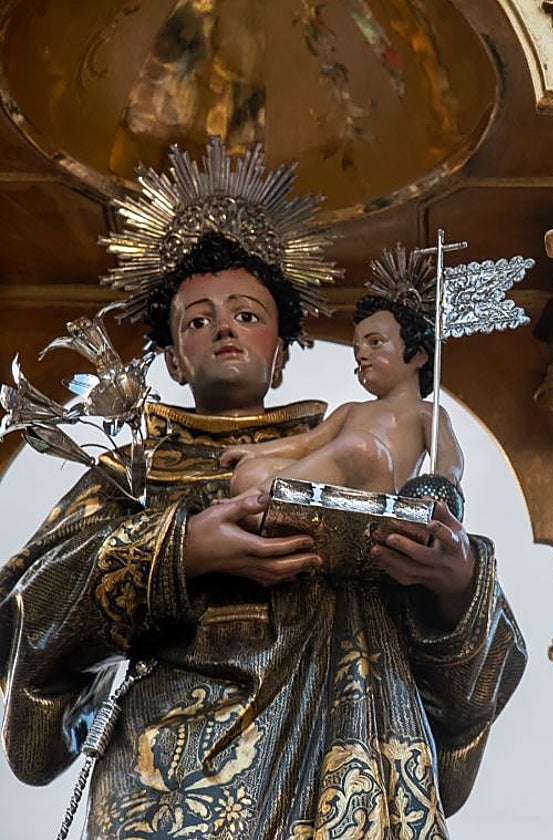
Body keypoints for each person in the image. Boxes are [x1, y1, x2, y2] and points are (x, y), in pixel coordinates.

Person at [0, 139, 526, 838]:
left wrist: (455, 582)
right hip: (169, 779)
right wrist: (180, 551)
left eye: (247, 314)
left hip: (344, 760)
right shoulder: (131, 474)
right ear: (170, 360)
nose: (223, 328)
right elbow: (30, 616)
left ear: (282, 353)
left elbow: (474, 678)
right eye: (198, 319)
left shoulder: (356, 450)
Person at [220, 276, 465, 502]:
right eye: (357, 348)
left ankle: (251, 500)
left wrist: (442, 486)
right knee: (249, 473)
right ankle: (261, 498)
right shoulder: (351, 411)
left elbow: (449, 459)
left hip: (384, 499)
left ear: (418, 355)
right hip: (340, 496)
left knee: (359, 447)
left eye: (375, 343)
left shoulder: (426, 413)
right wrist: (255, 451)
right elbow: (307, 444)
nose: (362, 355)